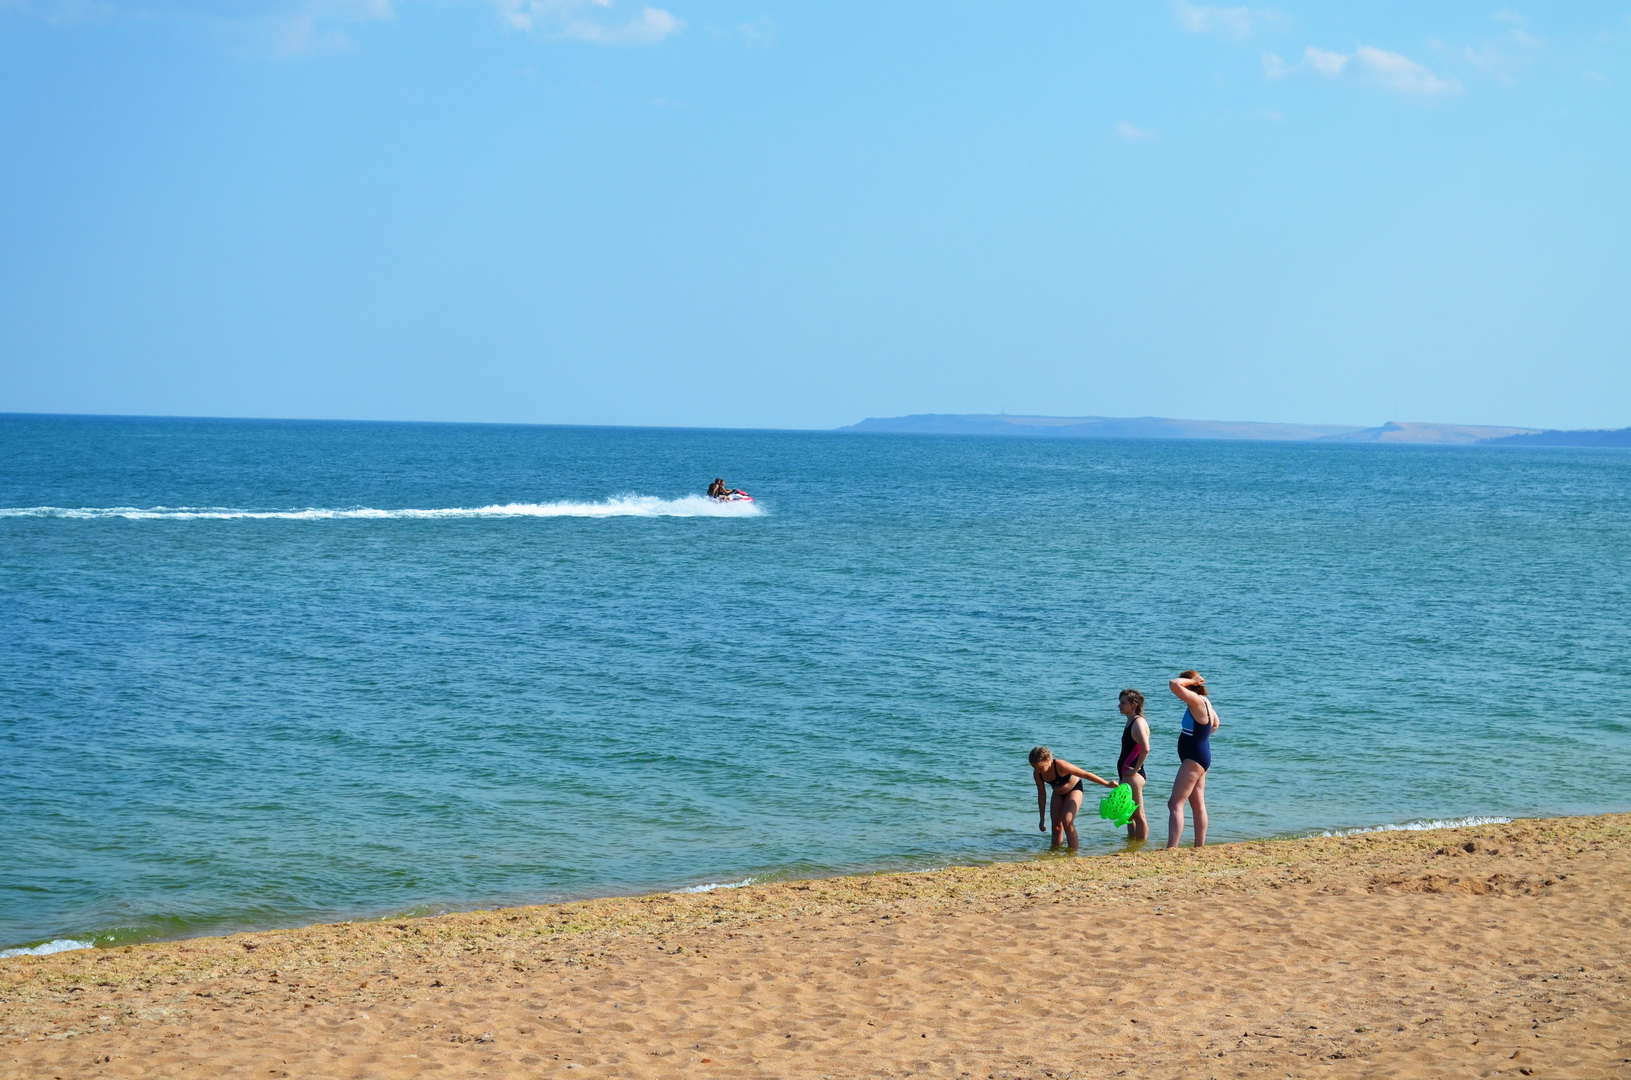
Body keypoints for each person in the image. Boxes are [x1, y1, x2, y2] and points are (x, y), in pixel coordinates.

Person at [1166, 670, 1219, 849]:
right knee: (1197, 803)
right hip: (1200, 755)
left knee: (1174, 803)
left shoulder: (1196, 702)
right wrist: (1199, 740)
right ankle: (1199, 846)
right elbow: (1216, 724)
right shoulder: (1205, 703)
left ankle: (1171, 848)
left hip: (1194, 758)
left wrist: (1192, 680)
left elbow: (1173, 684)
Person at [1029, 746, 1116, 851]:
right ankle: (1055, 853)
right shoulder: (1037, 774)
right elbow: (1042, 794)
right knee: (1056, 826)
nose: (1038, 771)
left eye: (1040, 768)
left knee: (1067, 821)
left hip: (1074, 789)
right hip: (1058, 793)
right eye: (1035, 768)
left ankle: (1073, 853)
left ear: (1048, 760)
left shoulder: (1060, 765)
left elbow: (1085, 774)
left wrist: (1106, 783)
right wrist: (1042, 818)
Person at [1116, 689, 1152, 841]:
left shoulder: (1138, 722)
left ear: (1134, 705)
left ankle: (1141, 847)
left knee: (1138, 814)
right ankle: (1132, 845)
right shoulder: (1130, 721)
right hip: (1127, 774)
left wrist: (1135, 770)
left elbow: (1146, 748)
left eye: (1123, 703)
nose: (1119, 705)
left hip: (1133, 775)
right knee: (1128, 814)